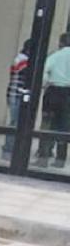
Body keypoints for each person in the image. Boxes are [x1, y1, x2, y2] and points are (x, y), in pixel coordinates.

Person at [36, 32, 70, 169]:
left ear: (61, 43)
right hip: (68, 94)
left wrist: (45, 84)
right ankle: (60, 159)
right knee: (64, 126)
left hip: (53, 92)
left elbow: (44, 73)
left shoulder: (55, 56)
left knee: (47, 124)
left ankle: (44, 157)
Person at [2, 39, 31, 161]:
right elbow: (27, 75)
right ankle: (8, 150)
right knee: (15, 123)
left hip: (15, 95)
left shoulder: (21, 59)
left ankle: (11, 150)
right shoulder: (23, 60)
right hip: (16, 95)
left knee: (16, 122)